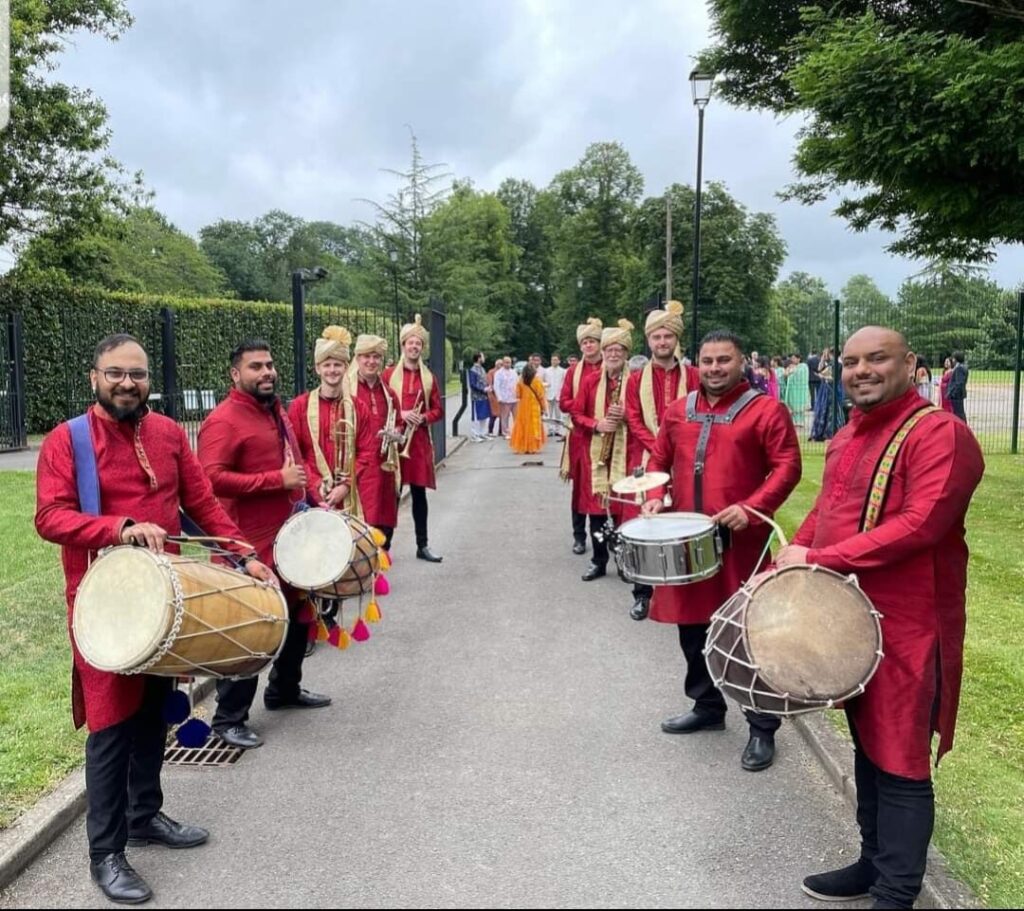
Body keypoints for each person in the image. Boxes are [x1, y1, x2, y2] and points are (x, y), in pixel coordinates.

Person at [36, 333, 275, 904]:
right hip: (103, 606)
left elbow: (204, 504)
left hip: (168, 603)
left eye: (137, 374)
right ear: (94, 377)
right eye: (116, 373)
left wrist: (243, 554)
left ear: (149, 381)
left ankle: (146, 816)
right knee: (111, 727)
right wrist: (118, 528)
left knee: (151, 715)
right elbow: (49, 516)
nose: (127, 383)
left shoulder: (168, 433)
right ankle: (106, 854)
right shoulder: (68, 440)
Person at [777, 327, 984, 910]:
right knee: (868, 746)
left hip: (912, 625)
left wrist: (819, 558)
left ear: (909, 364)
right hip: (851, 621)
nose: (860, 370)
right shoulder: (849, 435)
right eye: (850, 361)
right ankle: (872, 864)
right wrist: (793, 556)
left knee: (902, 758)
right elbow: (828, 509)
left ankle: (897, 892)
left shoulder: (941, 433)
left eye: (876, 359)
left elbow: (923, 524)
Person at [642, 330, 801, 772]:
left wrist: (752, 509)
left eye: (723, 360)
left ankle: (762, 726)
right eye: (707, 360)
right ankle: (707, 706)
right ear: (698, 363)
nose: (714, 368)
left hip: (740, 542)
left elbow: (788, 466)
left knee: (747, 634)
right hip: (686, 541)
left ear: (740, 361)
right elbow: (658, 460)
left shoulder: (766, 410)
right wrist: (656, 492)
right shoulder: (678, 411)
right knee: (692, 627)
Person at [199, 340, 332, 752]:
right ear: (235, 375)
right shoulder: (222, 421)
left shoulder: (276, 411)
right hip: (245, 547)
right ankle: (228, 719)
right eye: (256, 366)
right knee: (252, 633)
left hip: (288, 539)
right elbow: (209, 480)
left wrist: (313, 494)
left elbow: (295, 463)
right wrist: (277, 481)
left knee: (296, 618)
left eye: (270, 365)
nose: (267, 372)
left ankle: (284, 690)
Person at [623, 301, 700, 620]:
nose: (662, 342)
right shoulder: (635, 379)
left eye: (668, 336)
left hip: (686, 458)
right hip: (646, 459)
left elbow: (701, 414)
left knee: (684, 522)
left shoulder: (694, 376)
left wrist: (677, 447)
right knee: (645, 525)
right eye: (656, 337)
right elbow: (633, 417)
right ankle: (642, 594)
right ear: (649, 341)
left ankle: (686, 591)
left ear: (676, 339)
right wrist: (660, 447)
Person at [569, 319, 634, 582]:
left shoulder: (637, 381)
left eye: (619, 349)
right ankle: (598, 560)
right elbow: (575, 413)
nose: (613, 354)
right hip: (594, 453)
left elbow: (644, 415)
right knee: (596, 511)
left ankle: (623, 561)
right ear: (603, 353)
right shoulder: (591, 381)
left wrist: (625, 417)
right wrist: (597, 424)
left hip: (626, 452)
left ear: (626, 353)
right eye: (609, 350)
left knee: (622, 509)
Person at [384, 315, 444, 562]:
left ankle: (423, 545)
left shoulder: (429, 377)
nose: (414, 347)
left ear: (422, 348)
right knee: (391, 495)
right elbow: (380, 405)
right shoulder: (387, 375)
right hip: (394, 442)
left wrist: (424, 418)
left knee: (419, 495)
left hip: (417, 444)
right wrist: (402, 413)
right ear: (403, 345)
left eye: (418, 343)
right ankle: (383, 547)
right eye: (410, 343)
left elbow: (438, 410)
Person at [288, 325, 359, 515]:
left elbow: (366, 452)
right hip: (312, 496)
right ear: (318, 368)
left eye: (337, 365)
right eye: (327, 365)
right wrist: (316, 484)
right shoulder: (299, 406)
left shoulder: (358, 406)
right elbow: (295, 454)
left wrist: (346, 485)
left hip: (349, 496)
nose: (332, 370)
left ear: (346, 367)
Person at [349, 333, 405, 550]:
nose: (371, 362)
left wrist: (396, 433)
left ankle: (380, 564)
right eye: (366, 357)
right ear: (357, 358)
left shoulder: (389, 393)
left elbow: (400, 425)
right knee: (362, 522)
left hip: (385, 468)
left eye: (376, 357)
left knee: (385, 521)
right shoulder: (347, 390)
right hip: (359, 468)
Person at [559, 318, 603, 555]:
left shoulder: (610, 367)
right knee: (580, 489)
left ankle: (606, 538)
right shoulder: (573, 372)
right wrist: (582, 407)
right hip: (580, 437)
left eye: (592, 341)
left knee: (605, 488)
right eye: (584, 342)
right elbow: (564, 401)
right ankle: (579, 536)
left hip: (607, 436)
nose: (588, 346)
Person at [509, 362, 548, 454]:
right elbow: (541, 396)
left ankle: (522, 446)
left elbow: (518, 395)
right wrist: (544, 408)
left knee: (522, 425)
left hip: (523, 407)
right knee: (533, 426)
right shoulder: (537, 381)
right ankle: (532, 447)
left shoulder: (520, 381)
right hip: (534, 406)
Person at [468, 351, 490, 442]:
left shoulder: (482, 369)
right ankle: (475, 434)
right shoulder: (473, 370)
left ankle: (482, 433)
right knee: (476, 416)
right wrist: (483, 389)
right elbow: (473, 384)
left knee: (484, 415)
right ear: (479, 358)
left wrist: (488, 387)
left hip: (484, 396)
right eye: (482, 356)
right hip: (476, 397)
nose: (484, 358)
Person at [493, 356, 518, 437]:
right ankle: (506, 432)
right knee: (505, 416)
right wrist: (499, 397)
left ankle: (516, 431)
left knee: (516, 416)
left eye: (509, 362)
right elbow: (496, 386)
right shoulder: (498, 373)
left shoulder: (514, 372)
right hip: (504, 398)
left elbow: (517, 384)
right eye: (506, 362)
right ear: (503, 363)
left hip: (514, 398)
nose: (508, 364)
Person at [783, 354, 811, 425]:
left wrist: (793, 370)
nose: (792, 360)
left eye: (794, 358)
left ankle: (800, 421)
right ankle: (794, 421)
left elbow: (802, 374)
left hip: (800, 388)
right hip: (792, 389)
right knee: (792, 404)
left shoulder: (803, 366)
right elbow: (785, 374)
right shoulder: (791, 366)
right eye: (792, 358)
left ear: (799, 359)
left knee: (799, 405)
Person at [546, 353, 567, 438]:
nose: (554, 361)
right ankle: (550, 430)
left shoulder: (563, 371)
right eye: (552, 360)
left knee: (558, 414)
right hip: (549, 394)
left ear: (559, 361)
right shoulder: (546, 370)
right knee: (549, 414)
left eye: (555, 360)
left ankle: (558, 430)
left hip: (558, 394)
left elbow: (565, 383)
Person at [946, 351, 968, 422]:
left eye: (953, 358)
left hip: (957, 396)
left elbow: (959, 383)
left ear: (956, 359)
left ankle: (962, 425)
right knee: (959, 412)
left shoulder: (959, 368)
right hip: (958, 395)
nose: (952, 360)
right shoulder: (963, 367)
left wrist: (952, 393)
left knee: (959, 413)